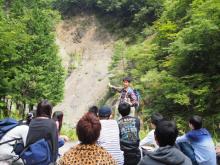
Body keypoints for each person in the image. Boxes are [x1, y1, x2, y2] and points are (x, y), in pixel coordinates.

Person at [26, 100, 58, 164]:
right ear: (50, 110)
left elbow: (28, 140)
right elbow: (54, 143)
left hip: (32, 156)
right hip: (45, 158)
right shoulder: (51, 123)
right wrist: (54, 161)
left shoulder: (32, 122)